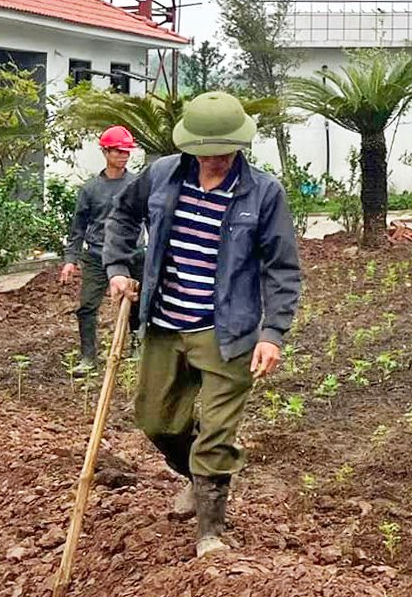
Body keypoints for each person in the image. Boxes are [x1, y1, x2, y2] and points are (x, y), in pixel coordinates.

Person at [103, 92, 303, 557]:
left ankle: (210, 532)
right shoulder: (161, 174)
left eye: (223, 150)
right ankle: (194, 473)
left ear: (238, 146)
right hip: (164, 321)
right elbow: (123, 216)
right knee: (156, 420)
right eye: (204, 150)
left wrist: (273, 334)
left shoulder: (263, 192)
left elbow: (282, 268)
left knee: (216, 431)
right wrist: (117, 268)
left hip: (226, 331)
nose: (213, 159)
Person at [58, 124, 137, 370]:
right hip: (95, 256)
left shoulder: (136, 185)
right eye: (118, 151)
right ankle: (88, 357)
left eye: (127, 152)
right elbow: (78, 227)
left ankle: (136, 346)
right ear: (105, 152)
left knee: (136, 300)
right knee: (87, 307)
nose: (123, 156)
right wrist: (70, 259)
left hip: (129, 254)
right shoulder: (90, 189)